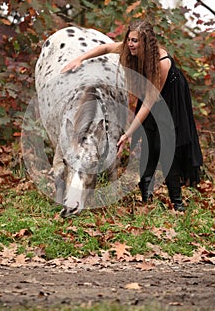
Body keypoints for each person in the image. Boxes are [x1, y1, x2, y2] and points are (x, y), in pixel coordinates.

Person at [62, 20, 203, 211]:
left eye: (135, 41)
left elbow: (149, 102)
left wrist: (127, 132)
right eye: (129, 39)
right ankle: (146, 198)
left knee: (165, 147)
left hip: (170, 99)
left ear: (145, 42)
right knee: (146, 145)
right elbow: (104, 48)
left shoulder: (162, 63)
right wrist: (80, 59)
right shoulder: (129, 48)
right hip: (150, 94)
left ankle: (177, 203)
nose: (130, 44)